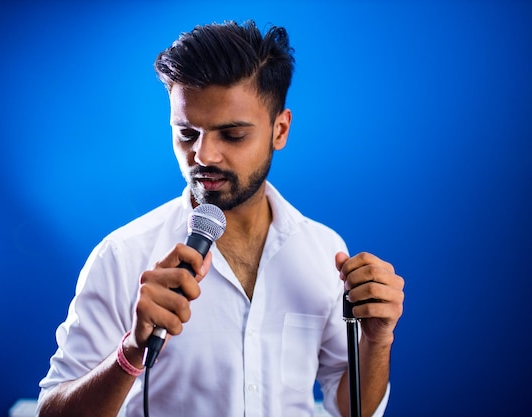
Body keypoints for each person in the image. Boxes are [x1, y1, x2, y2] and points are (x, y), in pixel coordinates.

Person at [37, 19, 404, 417]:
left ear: (279, 130)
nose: (204, 156)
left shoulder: (324, 251)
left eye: (232, 135)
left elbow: (350, 409)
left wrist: (377, 340)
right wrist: (132, 350)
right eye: (187, 133)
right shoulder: (123, 256)